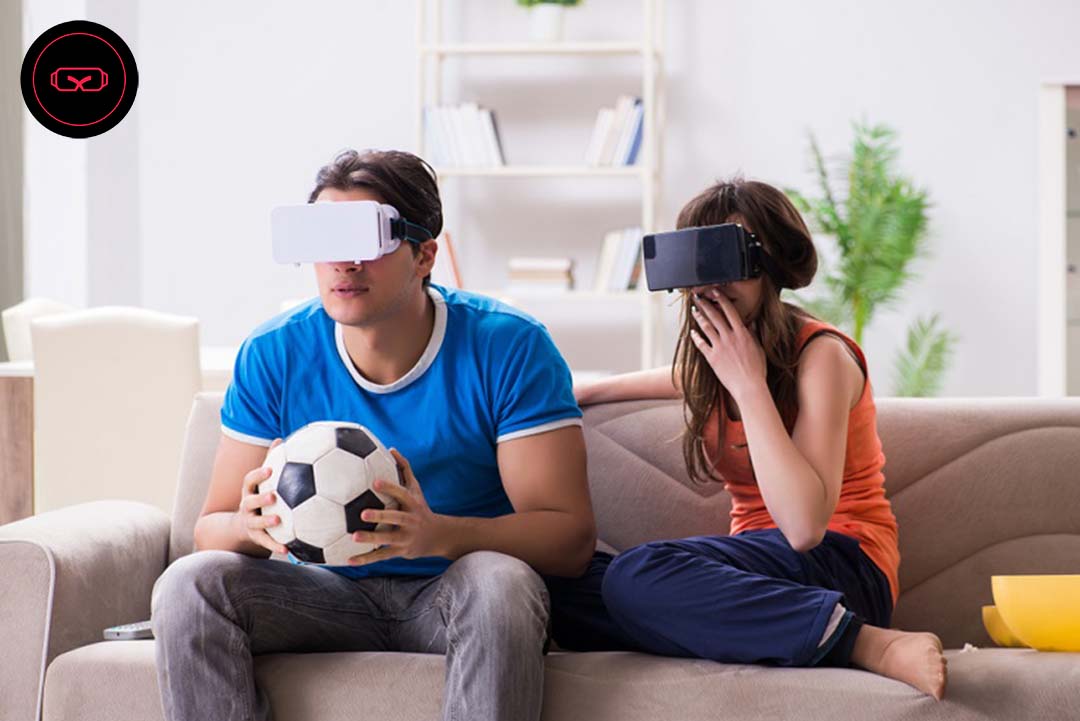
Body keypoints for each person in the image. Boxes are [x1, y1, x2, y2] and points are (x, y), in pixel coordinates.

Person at [150, 148, 600, 721]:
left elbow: (569, 540)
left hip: (452, 589)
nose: (343, 263)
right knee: (189, 585)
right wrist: (249, 524)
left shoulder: (509, 346)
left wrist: (436, 534)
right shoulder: (274, 352)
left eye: (367, 239)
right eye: (326, 240)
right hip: (317, 593)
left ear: (424, 255)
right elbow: (207, 529)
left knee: (500, 585)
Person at [573, 178, 949, 700]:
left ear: (769, 267)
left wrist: (748, 384)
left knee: (637, 574)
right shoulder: (716, 361)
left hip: (845, 564)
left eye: (731, 261)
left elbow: (803, 529)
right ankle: (744, 629)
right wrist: (586, 391)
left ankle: (863, 642)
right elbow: (677, 375)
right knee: (564, 581)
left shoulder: (823, 357)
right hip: (754, 568)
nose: (714, 284)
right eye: (700, 263)